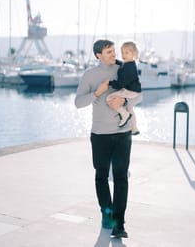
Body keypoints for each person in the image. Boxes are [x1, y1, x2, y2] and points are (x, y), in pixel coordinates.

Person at [74, 39, 142, 239]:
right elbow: (78, 103)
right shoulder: (90, 75)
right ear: (98, 55)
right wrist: (97, 92)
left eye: (114, 51)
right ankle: (108, 216)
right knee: (101, 177)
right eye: (109, 52)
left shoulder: (125, 68)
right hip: (100, 135)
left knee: (121, 178)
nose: (114, 55)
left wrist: (125, 99)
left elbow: (139, 94)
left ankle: (119, 224)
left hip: (122, 134)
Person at [106, 41, 142, 135]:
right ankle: (134, 129)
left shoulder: (129, 67)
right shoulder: (129, 64)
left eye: (127, 53)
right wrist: (115, 61)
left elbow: (121, 83)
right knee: (130, 108)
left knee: (109, 98)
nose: (123, 55)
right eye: (122, 52)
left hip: (130, 91)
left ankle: (124, 114)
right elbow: (122, 64)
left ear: (133, 54)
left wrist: (109, 83)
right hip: (134, 90)